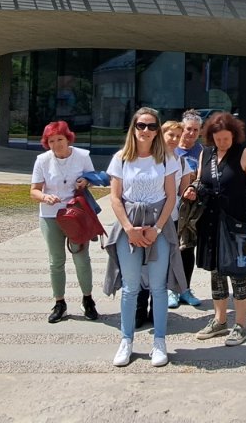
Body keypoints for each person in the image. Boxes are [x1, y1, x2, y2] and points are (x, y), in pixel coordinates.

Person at [102, 107, 183, 367]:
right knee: (130, 287)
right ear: (133, 128)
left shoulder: (167, 158)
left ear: (158, 129)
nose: (146, 130)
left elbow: (171, 196)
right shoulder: (121, 158)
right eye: (141, 125)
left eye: (151, 126)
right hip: (130, 226)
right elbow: (115, 198)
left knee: (158, 288)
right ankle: (127, 340)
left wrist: (157, 228)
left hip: (158, 225)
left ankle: (159, 341)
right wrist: (128, 228)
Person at [192, 111, 246, 347]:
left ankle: (241, 324)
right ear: (211, 136)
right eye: (218, 138)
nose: (223, 143)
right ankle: (219, 319)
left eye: (226, 138)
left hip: (237, 223)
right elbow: (199, 180)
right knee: (216, 272)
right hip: (210, 222)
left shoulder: (243, 153)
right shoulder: (205, 153)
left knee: (238, 272)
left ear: (234, 135)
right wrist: (193, 189)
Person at [30, 120, 99, 323]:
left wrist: (86, 181)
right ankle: (59, 302)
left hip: (76, 213)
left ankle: (88, 299)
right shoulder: (42, 160)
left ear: (68, 138)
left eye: (59, 139)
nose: (56, 144)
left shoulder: (82, 156)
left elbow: (93, 177)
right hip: (51, 214)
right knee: (56, 261)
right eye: (51, 141)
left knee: (81, 258)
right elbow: (33, 190)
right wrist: (45, 197)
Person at [171, 112, 206, 308]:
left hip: (192, 210)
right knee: (169, 249)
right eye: (188, 129)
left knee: (187, 249)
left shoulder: (203, 152)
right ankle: (170, 290)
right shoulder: (171, 150)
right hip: (171, 206)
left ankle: (185, 289)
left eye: (195, 130)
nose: (191, 133)